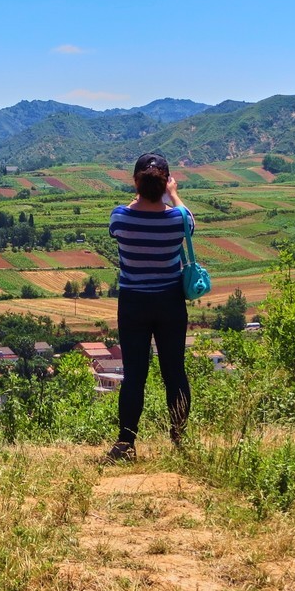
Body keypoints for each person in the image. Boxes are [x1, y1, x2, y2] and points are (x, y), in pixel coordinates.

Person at [103, 152, 194, 463]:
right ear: (165, 182)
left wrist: (139, 197)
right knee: (175, 372)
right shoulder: (178, 220)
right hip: (170, 301)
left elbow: (118, 225)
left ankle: (126, 444)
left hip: (133, 304)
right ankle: (180, 438)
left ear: (136, 182)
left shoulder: (120, 217)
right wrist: (174, 194)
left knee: (135, 375)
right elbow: (187, 220)